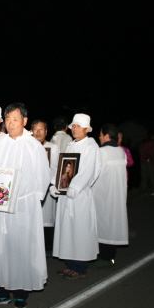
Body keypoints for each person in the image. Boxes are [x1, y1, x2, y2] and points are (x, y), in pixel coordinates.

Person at [0, 103, 50, 308]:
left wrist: (34, 200)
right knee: (0, 247)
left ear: (24, 121)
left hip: (24, 206)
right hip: (0, 204)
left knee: (21, 247)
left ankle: (21, 291)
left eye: (15, 119)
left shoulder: (33, 145)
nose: (11, 123)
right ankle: (1, 290)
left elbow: (43, 175)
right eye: (7, 119)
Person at [50, 114, 101, 279]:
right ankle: (70, 264)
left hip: (79, 196)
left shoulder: (91, 146)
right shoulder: (71, 145)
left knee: (79, 231)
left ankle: (80, 268)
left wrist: (74, 187)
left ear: (87, 129)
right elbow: (63, 167)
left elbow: (89, 170)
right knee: (67, 230)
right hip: (66, 195)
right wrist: (55, 184)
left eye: (78, 126)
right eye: (73, 126)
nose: (75, 129)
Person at [92, 124, 129, 269]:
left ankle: (105, 257)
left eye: (101, 135)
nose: (99, 137)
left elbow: (93, 173)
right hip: (117, 194)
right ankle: (110, 255)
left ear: (106, 135)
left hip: (102, 193)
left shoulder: (101, 152)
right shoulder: (121, 151)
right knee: (112, 224)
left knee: (102, 225)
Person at [31, 119, 59, 252]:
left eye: (41, 129)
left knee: (46, 220)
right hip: (31, 189)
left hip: (48, 189)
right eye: (35, 129)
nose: (38, 132)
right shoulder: (28, 146)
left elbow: (55, 169)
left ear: (46, 132)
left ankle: (47, 248)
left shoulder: (53, 148)